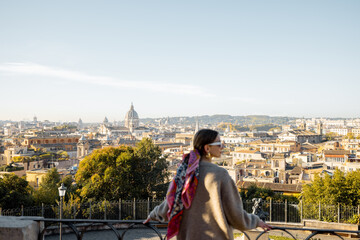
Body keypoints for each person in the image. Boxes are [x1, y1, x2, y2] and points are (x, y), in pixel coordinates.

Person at [144, 129, 272, 240]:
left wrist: (152, 215)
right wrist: (256, 221)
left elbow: (170, 204)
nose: (222, 147)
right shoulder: (220, 174)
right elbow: (235, 215)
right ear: (207, 148)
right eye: (219, 143)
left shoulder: (185, 172)